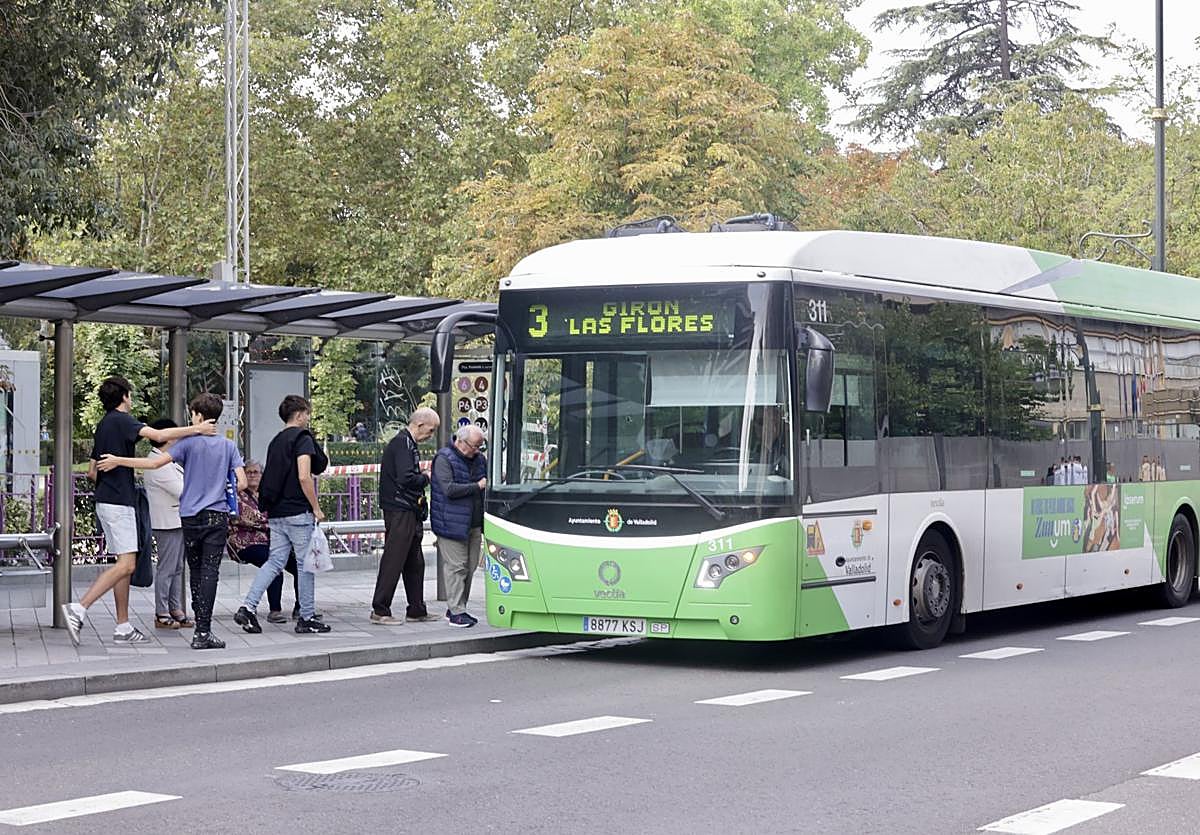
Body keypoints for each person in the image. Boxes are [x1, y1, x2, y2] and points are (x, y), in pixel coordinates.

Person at [61, 376, 216, 647]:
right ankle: (79, 607)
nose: (131, 400)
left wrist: (114, 479)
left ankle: (123, 626)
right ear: (123, 396)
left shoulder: (103, 425)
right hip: (119, 503)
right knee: (127, 564)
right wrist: (196, 429)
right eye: (130, 395)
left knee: (124, 564)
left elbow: (91, 471)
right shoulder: (120, 421)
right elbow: (157, 436)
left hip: (108, 500)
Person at [99, 393, 246, 650]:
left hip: (189, 517)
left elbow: (153, 463)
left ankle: (198, 627)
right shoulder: (228, 446)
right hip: (217, 515)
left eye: (192, 414)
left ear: (199, 416)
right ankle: (203, 631)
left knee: (195, 570)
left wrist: (117, 461)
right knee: (211, 572)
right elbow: (242, 482)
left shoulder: (187, 445)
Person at [235, 395, 331, 635]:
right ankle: (307, 617)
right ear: (299, 414)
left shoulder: (276, 441)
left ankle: (248, 607)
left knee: (275, 562)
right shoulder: (302, 439)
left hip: (276, 513)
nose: (308, 418)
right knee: (304, 565)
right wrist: (316, 507)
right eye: (307, 414)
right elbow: (304, 476)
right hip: (298, 512)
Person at [371, 407, 440, 625]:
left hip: (407, 509)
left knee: (414, 561)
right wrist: (426, 477)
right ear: (419, 425)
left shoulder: (408, 444)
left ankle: (417, 609)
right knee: (394, 559)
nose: (431, 436)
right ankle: (380, 609)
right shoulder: (402, 443)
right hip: (400, 509)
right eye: (430, 430)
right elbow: (406, 478)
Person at [228, 459, 299, 623]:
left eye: (256, 472)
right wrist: (277, 522)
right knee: (274, 565)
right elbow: (251, 518)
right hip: (245, 542)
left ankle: (301, 607)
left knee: (299, 565)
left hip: (271, 541)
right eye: (249, 472)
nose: (252, 475)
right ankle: (275, 611)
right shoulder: (238, 494)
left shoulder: (267, 494)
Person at [431, 425, 487, 628]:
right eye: (474, 446)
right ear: (461, 442)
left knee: (470, 567)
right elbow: (448, 489)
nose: (477, 450)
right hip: (450, 523)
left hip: (473, 524)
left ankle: (457, 607)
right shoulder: (444, 458)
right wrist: (477, 486)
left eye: (480, 446)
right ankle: (457, 612)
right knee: (457, 567)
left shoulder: (479, 459)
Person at [141, 418, 192, 630]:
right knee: (167, 568)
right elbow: (183, 491)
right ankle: (162, 612)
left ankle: (175, 608)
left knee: (177, 567)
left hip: (176, 520)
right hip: (167, 522)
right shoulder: (158, 465)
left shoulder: (165, 460)